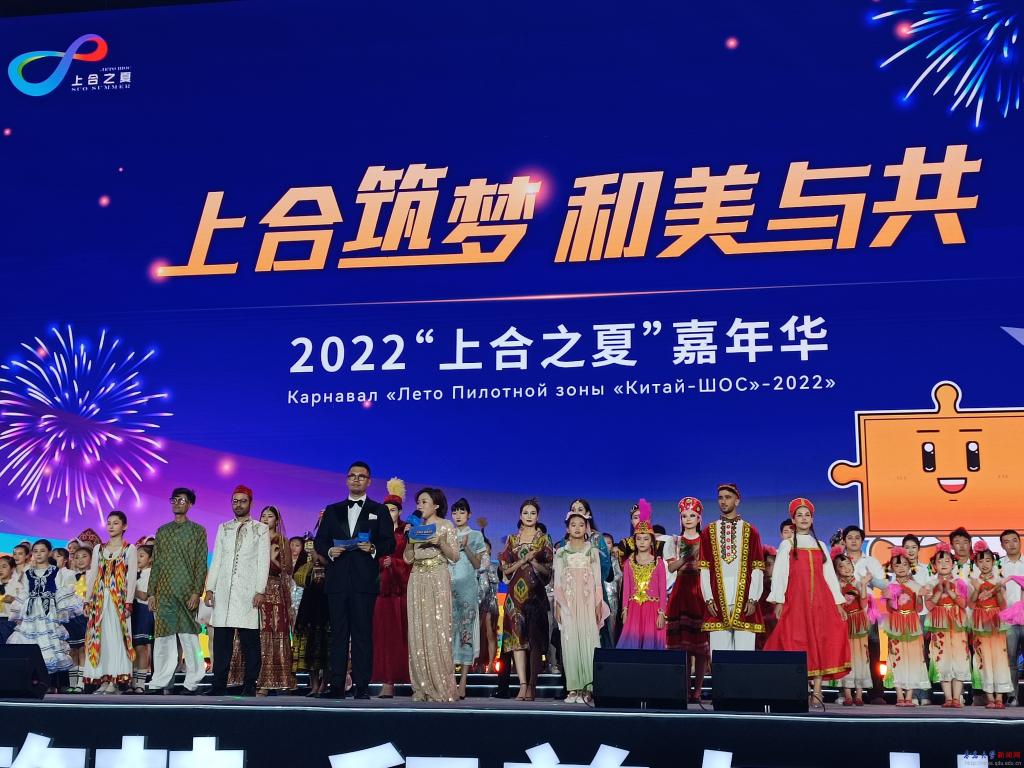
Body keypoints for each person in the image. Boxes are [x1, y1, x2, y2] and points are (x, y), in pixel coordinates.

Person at [314, 461, 396, 699]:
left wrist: (373, 548)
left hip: (364, 582)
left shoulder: (379, 510)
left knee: (362, 635)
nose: (356, 479)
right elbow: (320, 541)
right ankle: (336, 686)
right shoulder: (332, 510)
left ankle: (362, 687)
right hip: (337, 581)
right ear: (346, 479)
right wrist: (329, 551)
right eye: (352, 475)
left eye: (361, 476)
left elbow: (389, 542)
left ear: (369, 481)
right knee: (338, 635)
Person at [766, 498, 850, 703]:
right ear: (793, 520)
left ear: (812, 519)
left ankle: (818, 691)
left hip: (821, 601)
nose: (804, 518)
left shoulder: (819, 545)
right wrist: (779, 600)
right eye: (799, 515)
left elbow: (829, 576)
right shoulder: (787, 544)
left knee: (820, 639)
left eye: (807, 515)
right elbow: (780, 574)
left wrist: (838, 603)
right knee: (798, 641)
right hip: (797, 601)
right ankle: (801, 687)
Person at [203, 485, 270, 697]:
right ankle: (218, 685)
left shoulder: (260, 529)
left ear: (250, 503)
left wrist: (260, 590)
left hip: (247, 593)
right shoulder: (224, 528)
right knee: (221, 643)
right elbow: (217, 560)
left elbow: (263, 561)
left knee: (250, 642)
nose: (238, 505)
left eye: (243, 501)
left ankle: (250, 685)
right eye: (235, 501)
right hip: (224, 592)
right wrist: (210, 588)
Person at [147, 487, 209, 695]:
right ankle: (159, 681)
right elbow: (156, 563)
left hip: (186, 591)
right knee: (163, 639)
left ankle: (193, 681)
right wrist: (152, 593)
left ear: (190, 504)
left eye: (182, 500)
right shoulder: (163, 531)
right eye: (174, 499)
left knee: (189, 637)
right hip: (164, 591)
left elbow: (200, 564)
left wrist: (196, 592)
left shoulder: (198, 531)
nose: (177, 503)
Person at [229, 504, 295, 694]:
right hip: (250, 590)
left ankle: (266, 682)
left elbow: (288, 569)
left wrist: (272, 560)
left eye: (270, 516)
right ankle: (248, 679)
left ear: (277, 520)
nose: (266, 519)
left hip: (272, 590)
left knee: (270, 632)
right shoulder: (253, 538)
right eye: (263, 515)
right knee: (249, 634)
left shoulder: (281, 541)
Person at [404, 487, 460, 702]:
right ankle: (422, 687)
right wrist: (409, 539)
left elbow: (455, 556)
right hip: (417, 577)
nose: (419, 505)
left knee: (438, 629)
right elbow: (408, 558)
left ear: (436, 505)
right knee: (417, 630)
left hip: (437, 576)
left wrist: (440, 542)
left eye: (424, 501)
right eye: (418, 502)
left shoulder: (446, 526)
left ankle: (441, 686)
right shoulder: (415, 527)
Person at [5, 540, 83, 683]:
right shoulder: (28, 573)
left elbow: (59, 591)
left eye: (42, 551)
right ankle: (33, 680)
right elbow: (25, 592)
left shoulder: (55, 571)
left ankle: (49, 682)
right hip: (31, 612)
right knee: (30, 641)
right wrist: (19, 613)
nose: (39, 554)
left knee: (48, 641)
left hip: (48, 612)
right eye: (35, 551)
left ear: (49, 552)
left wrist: (61, 612)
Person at [700, 483, 765, 652]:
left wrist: (753, 598)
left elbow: (757, 567)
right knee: (719, 656)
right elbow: (704, 569)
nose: (723, 501)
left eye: (728, 497)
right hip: (717, 600)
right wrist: (708, 599)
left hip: (744, 599)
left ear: (737, 501)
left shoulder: (751, 531)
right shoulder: (708, 531)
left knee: (744, 657)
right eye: (720, 498)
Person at [500, 498, 554, 701]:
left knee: (534, 641)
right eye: (525, 513)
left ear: (538, 516)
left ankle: (532, 685)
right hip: (514, 596)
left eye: (533, 513)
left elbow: (548, 571)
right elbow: (505, 568)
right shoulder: (512, 539)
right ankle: (522, 685)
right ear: (520, 516)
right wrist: (522, 560)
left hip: (535, 595)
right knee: (517, 641)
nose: (529, 516)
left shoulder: (544, 539)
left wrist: (534, 563)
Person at [554, 507, 608, 706]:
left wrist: (598, 604)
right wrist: (558, 605)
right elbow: (557, 583)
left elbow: (597, 582)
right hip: (568, 603)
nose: (577, 528)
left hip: (587, 603)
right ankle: (573, 688)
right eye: (573, 525)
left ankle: (588, 689)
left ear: (587, 528)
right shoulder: (561, 552)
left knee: (589, 642)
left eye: (581, 525)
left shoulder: (592, 551)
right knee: (570, 644)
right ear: (567, 528)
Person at [83, 511, 138, 693]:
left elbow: (131, 578)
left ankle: (116, 679)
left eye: (116, 523)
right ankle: (102, 678)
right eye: (109, 523)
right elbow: (93, 575)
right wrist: (87, 600)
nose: (111, 526)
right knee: (100, 638)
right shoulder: (99, 549)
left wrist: (128, 602)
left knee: (117, 638)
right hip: (99, 600)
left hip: (118, 600)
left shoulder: (129, 549)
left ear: (124, 526)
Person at [666, 496, 710, 701]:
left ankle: (698, 690)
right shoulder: (674, 541)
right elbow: (671, 568)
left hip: (700, 591)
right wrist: (688, 556)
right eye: (685, 516)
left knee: (700, 648)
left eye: (692, 515)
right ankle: (684, 688)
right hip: (682, 591)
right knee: (683, 647)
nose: (688, 519)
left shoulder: (706, 541)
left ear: (699, 518)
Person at [373, 478, 411, 698]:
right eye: (386, 510)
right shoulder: (376, 534)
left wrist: (394, 563)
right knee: (383, 637)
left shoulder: (406, 534)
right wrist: (381, 562)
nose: (389, 513)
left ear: (400, 512)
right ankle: (387, 681)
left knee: (403, 637)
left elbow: (411, 561)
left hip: (401, 592)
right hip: (382, 591)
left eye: (393, 510)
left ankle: (410, 678)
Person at [841, 524, 888, 704]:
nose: (853, 541)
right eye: (850, 538)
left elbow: (884, 584)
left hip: (866, 609)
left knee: (872, 649)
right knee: (846, 649)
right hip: (844, 610)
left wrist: (869, 580)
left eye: (857, 538)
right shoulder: (838, 560)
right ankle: (844, 692)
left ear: (862, 541)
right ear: (844, 541)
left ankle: (875, 692)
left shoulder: (871, 561)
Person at [924, 543, 970, 708]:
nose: (943, 564)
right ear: (934, 565)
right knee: (942, 659)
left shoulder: (960, 583)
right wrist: (939, 591)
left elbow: (964, 604)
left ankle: (957, 698)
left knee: (959, 659)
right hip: (939, 624)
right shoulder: (930, 584)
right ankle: (948, 698)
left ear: (953, 564)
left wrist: (950, 591)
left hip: (957, 624)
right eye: (939, 561)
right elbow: (929, 606)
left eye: (947, 561)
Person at [616, 502, 667, 650]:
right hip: (634, 609)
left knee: (650, 646)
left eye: (646, 539)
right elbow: (626, 589)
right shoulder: (629, 563)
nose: (642, 542)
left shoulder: (658, 563)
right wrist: (625, 611)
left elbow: (662, 589)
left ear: (651, 541)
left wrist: (662, 613)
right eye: (638, 539)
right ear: (634, 540)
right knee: (631, 645)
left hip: (653, 609)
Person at [883, 548, 930, 707]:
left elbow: (919, 608)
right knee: (896, 657)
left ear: (910, 566)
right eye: (897, 565)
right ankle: (899, 696)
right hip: (896, 624)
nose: (901, 568)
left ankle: (909, 696)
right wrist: (892, 598)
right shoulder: (890, 586)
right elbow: (890, 608)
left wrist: (920, 596)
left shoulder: (915, 585)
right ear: (892, 568)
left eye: (904, 564)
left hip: (912, 623)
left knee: (913, 659)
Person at [450, 497, 486, 698]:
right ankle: (448, 681)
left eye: (462, 512)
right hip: (447, 588)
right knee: (447, 633)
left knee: (466, 634)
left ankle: (462, 682)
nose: (458, 516)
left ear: (469, 514)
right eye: (455, 512)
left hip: (467, 589)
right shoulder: (447, 533)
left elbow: (478, 564)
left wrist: (466, 547)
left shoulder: (475, 535)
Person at [971, 543, 1012, 708]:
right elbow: (970, 604)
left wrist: (998, 591)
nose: (985, 564)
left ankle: (1000, 698)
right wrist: (977, 590)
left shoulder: (999, 581)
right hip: (980, 623)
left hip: (996, 622)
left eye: (988, 560)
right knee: (984, 659)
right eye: (981, 561)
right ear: (976, 563)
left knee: (999, 659)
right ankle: (990, 698)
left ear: (993, 562)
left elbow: (1003, 605)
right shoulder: (973, 581)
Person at [292, 532, 331, 697]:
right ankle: (314, 685)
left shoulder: (330, 550)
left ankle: (324, 684)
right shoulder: (306, 555)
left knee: (327, 646)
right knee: (310, 645)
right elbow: (297, 576)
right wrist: (310, 560)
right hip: (310, 604)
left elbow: (332, 569)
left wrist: (318, 556)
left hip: (327, 602)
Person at [833, 549, 871, 705]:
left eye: (848, 564)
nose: (846, 568)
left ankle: (859, 694)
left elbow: (864, 604)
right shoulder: (835, 585)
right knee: (846, 656)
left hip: (859, 622)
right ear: (836, 570)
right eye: (841, 566)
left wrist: (863, 585)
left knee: (861, 657)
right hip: (843, 623)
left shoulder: (858, 582)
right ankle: (848, 694)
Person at [998, 529, 1024, 705]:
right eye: (1007, 542)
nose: (1012, 544)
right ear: (1002, 545)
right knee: (1011, 659)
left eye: (1015, 540)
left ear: (1020, 541)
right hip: (1007, 620)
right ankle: (1012, 696)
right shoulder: (998, 566)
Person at [131, 544, 154, 694]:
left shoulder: (150, 573)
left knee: (141, 648)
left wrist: (129, 588)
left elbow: (145, 595)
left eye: (141, 555)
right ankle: (132, 682)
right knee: (133, 648)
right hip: (133, 611)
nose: (137, 559)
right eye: (136, 556)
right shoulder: (135, 573)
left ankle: (140, 683)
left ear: (150, 559)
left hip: (143, 611)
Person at [478, 539, 499, 672]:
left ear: (490, 550)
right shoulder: (475, 566)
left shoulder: (494, 566)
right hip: (477, 602)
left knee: (490, 633)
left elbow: (498, 581)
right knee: (478, 634)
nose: (484, 550)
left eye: (486, 547)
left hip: (491, 602)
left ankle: (491, 663)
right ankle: (478, 663)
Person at [0, 556, 17, 644]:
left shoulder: (18, 585)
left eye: (4, 566)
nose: (0, 569)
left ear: (12, 569)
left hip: (8, 621)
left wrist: (14, 600)